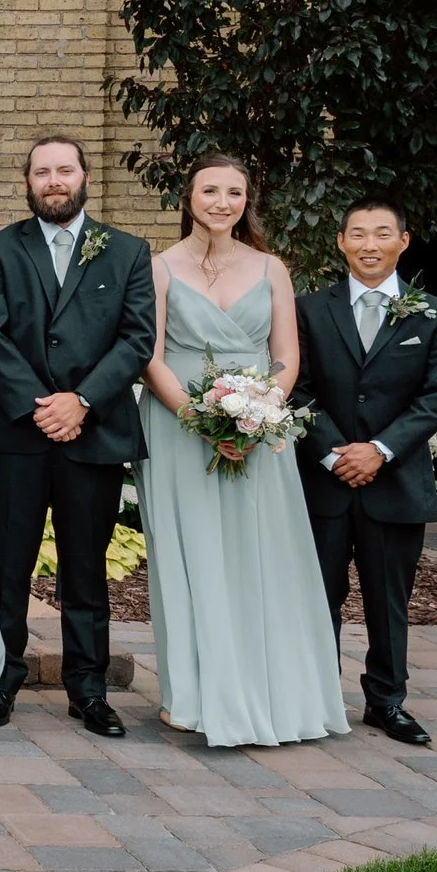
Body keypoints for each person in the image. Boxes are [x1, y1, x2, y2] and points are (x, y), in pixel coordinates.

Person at [138, 153, 347, 747]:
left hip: (260, 429)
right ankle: (192, 696)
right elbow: (150, 355)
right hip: (179, 427)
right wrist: (199, 419)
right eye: (210, 191)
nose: (222, 203)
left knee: (263, 555)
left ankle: (273, 693)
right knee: (192, 554)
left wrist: (256, 417)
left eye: (234, 192)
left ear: (246, 201)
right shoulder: (159, 268)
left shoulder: (271, 267)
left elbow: (287, 357)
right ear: (188, 197)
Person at [0, 136, 156, 737]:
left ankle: (89, 690)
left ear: (83, 176)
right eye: (42, 172)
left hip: (93, 432)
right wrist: (40, 407)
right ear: (27, 182)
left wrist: (82, 401)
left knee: (86, 568)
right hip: (15, 433)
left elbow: (137, 338)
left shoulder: (128, 251)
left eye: (64, 170)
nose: (54, 181)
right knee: (6, 565)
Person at [293, 198, 437, 746]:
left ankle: (387, 702)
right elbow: (295, 386)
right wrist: (334, 452)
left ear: (403, 242)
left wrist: (379, 450)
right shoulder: (307, 309)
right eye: (359, 234)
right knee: (317, 597)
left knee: (389, 601)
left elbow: (436, 398)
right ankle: (316, 699)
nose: (370, 245)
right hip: (324, 481)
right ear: (341, 242)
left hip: (395, 482)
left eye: (383, 233)